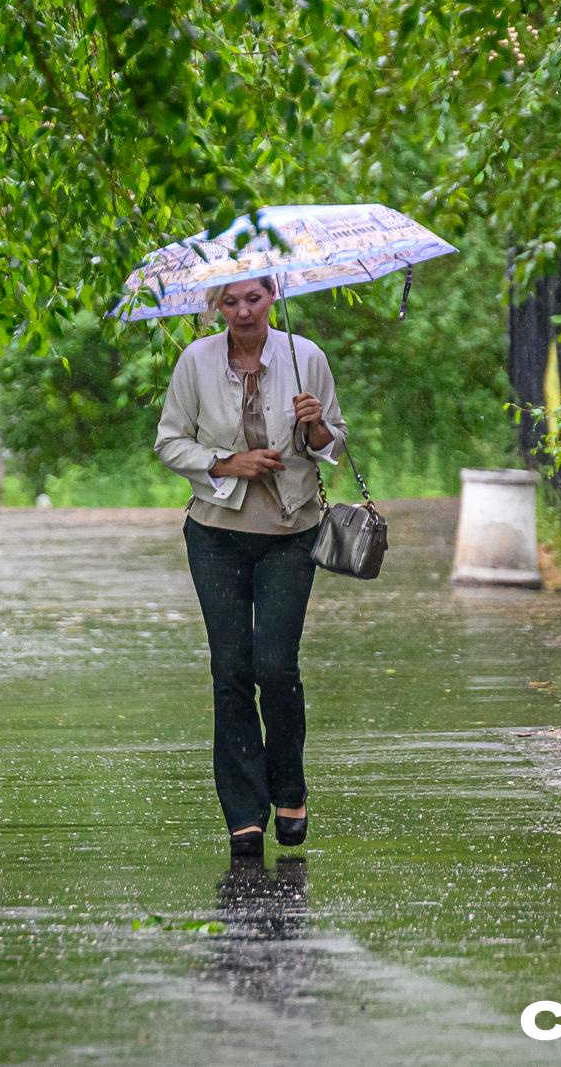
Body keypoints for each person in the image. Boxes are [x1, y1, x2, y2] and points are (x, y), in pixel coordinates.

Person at [153, 275, 347, 858]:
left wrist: (314, 424)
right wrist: (226, 462)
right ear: (217, 306)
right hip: (216, 534)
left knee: (275, 664)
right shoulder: (196, 361)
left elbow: (333, 443)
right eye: (230, 301)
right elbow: (168, 442)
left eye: (253, 299)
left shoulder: (305, 356)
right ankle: (244, 812)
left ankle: (289, 788)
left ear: (271, 299)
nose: (242, 311)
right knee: (230, 668)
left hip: (292, 530)